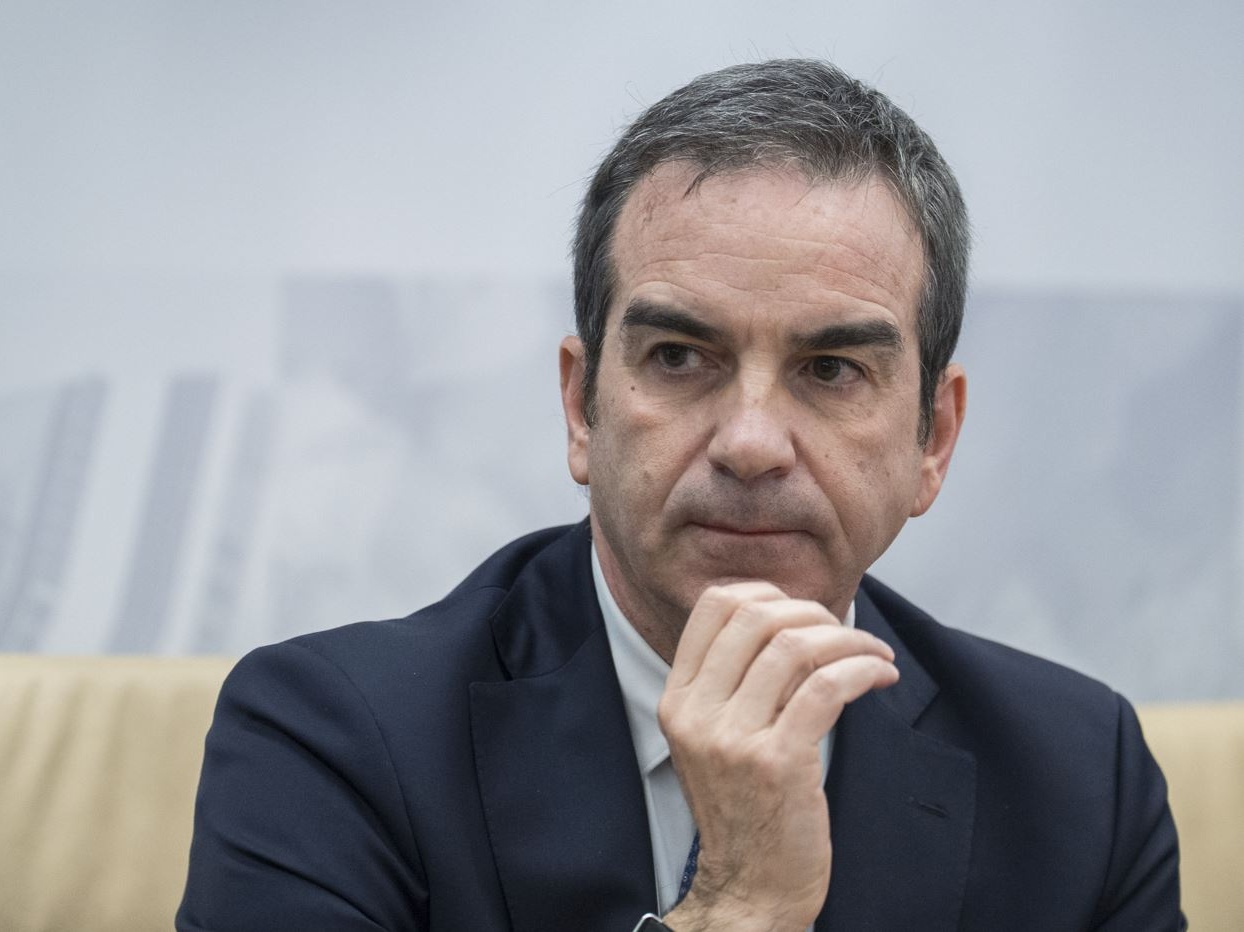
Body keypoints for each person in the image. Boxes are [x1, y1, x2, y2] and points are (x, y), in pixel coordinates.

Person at [178, 59, 1183, 931]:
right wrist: (739, 902)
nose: (750, 444)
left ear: (933, 438)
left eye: (831, 369)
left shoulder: (1075, 780)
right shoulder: (331, 739)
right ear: (581, 406)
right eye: (677, 356)